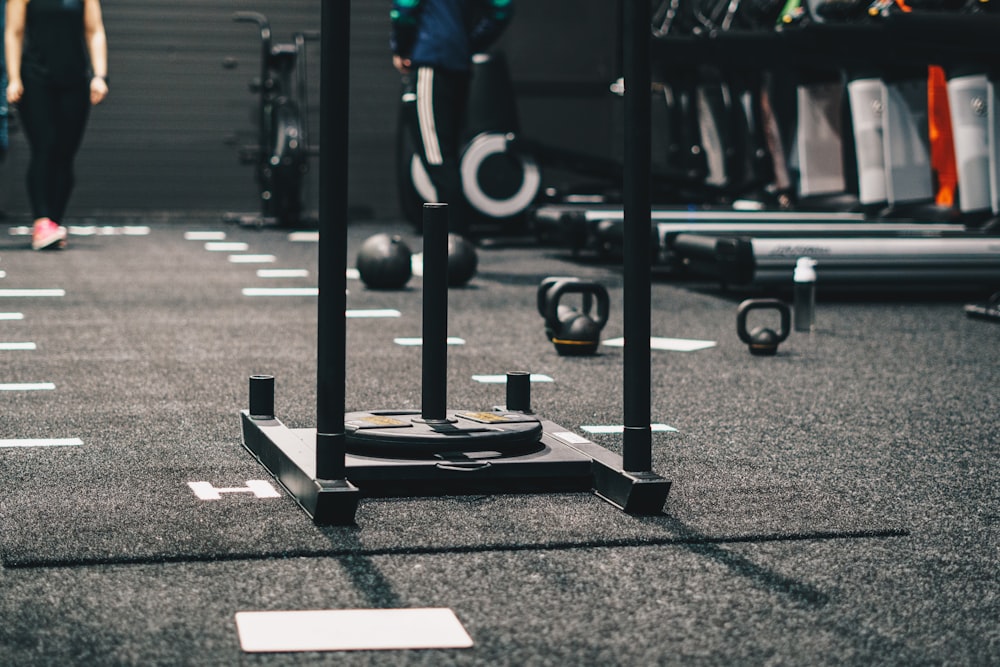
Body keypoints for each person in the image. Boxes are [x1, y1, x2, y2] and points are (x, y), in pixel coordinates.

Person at [391, 0, 513, 237]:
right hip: (458, 66)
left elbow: (404, 9)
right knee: (447, 157)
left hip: (431, 64)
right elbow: (502, 8)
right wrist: (469, 43)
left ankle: (451, 243)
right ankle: (454, 242)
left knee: (436, 158)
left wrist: (401, 48)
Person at [5, 0, 108, 250]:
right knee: (45, 145)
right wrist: (14, 78)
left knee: (65, 152)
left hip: (74, 79)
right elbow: (13, 32)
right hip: (35, 77)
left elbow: (95, 31)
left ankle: (54, 222)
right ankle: (42, 221)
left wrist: (99, 76)